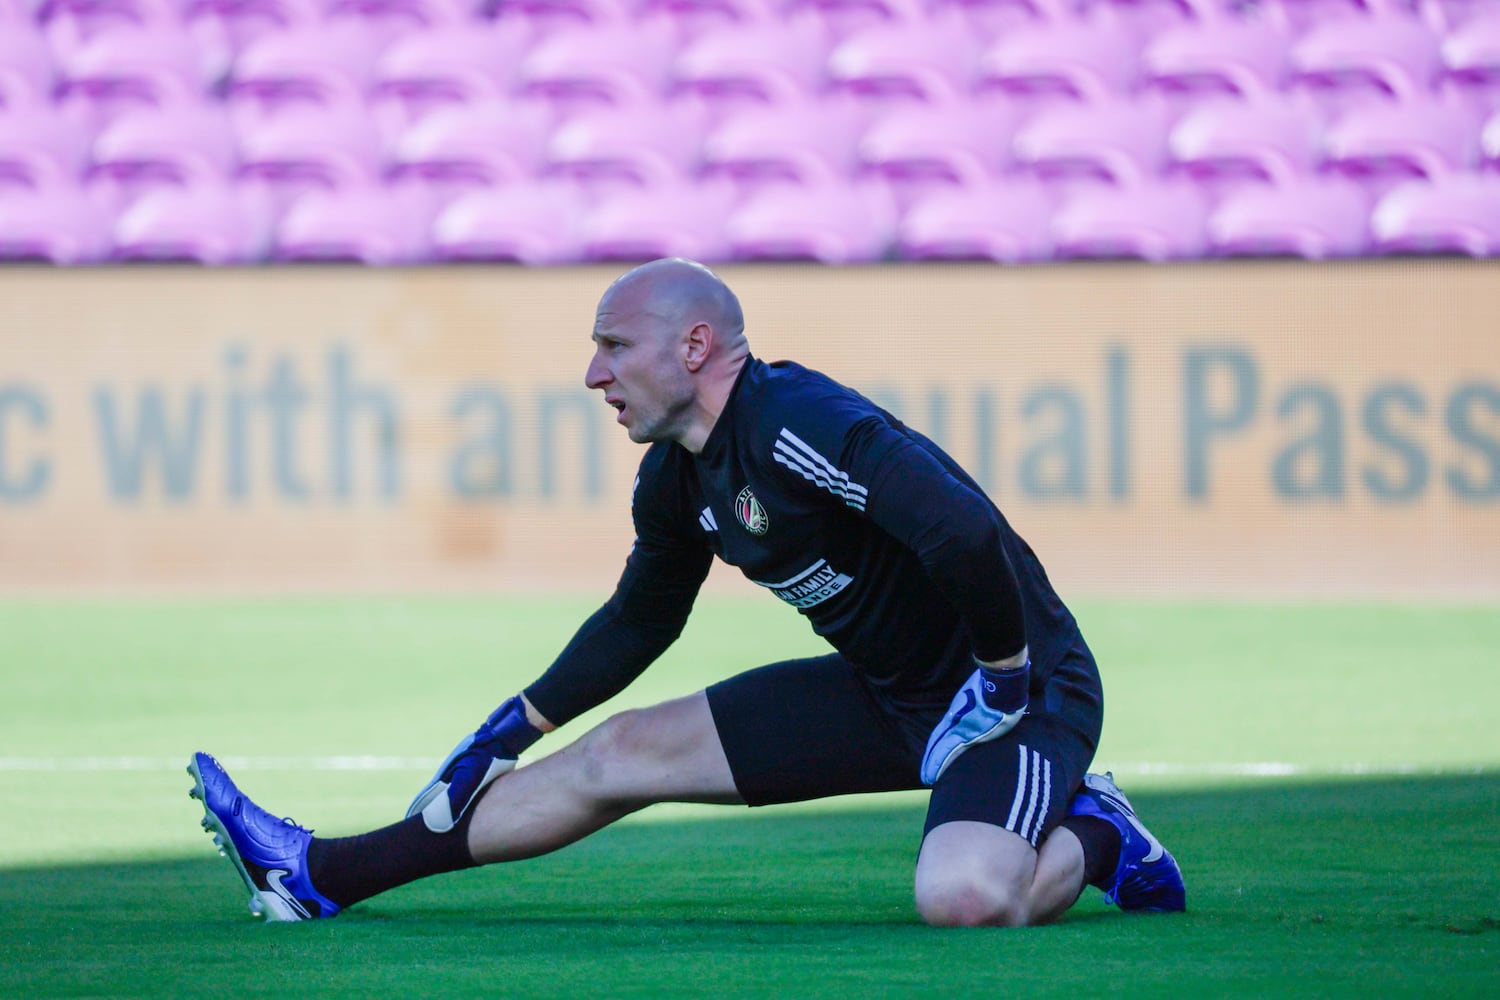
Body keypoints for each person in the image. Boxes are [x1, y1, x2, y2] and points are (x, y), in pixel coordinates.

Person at [189, 258, 1185, 926]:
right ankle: (316, 873)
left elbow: (962, 530)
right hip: (892, 693)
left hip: (1019, 691)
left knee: (963, 897)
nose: (593, 373)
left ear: (695, 347)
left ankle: (1096, 830)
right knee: (619, 751)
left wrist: (1006, 679)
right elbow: (642, 617)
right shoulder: (676, 472)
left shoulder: (798, 420)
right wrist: (506, 729)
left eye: (613, 346)